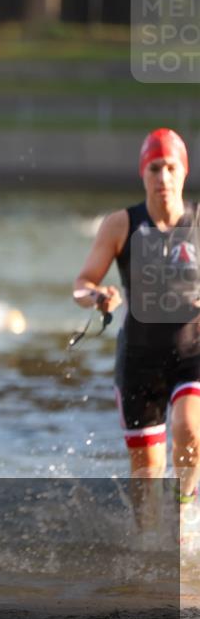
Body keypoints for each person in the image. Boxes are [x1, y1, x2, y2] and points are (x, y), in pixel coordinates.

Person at [73, 128, 199, 533]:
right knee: (147, 477)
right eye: (154, 168)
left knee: (190, 431)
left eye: (170, 167)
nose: (162, 177)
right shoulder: (120, 225)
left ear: (184, 172)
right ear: (143, 174)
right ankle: (147, 554)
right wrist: (97, 297)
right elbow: (82, 283)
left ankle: (184, 514)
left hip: (192, 353)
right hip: (139, 362)